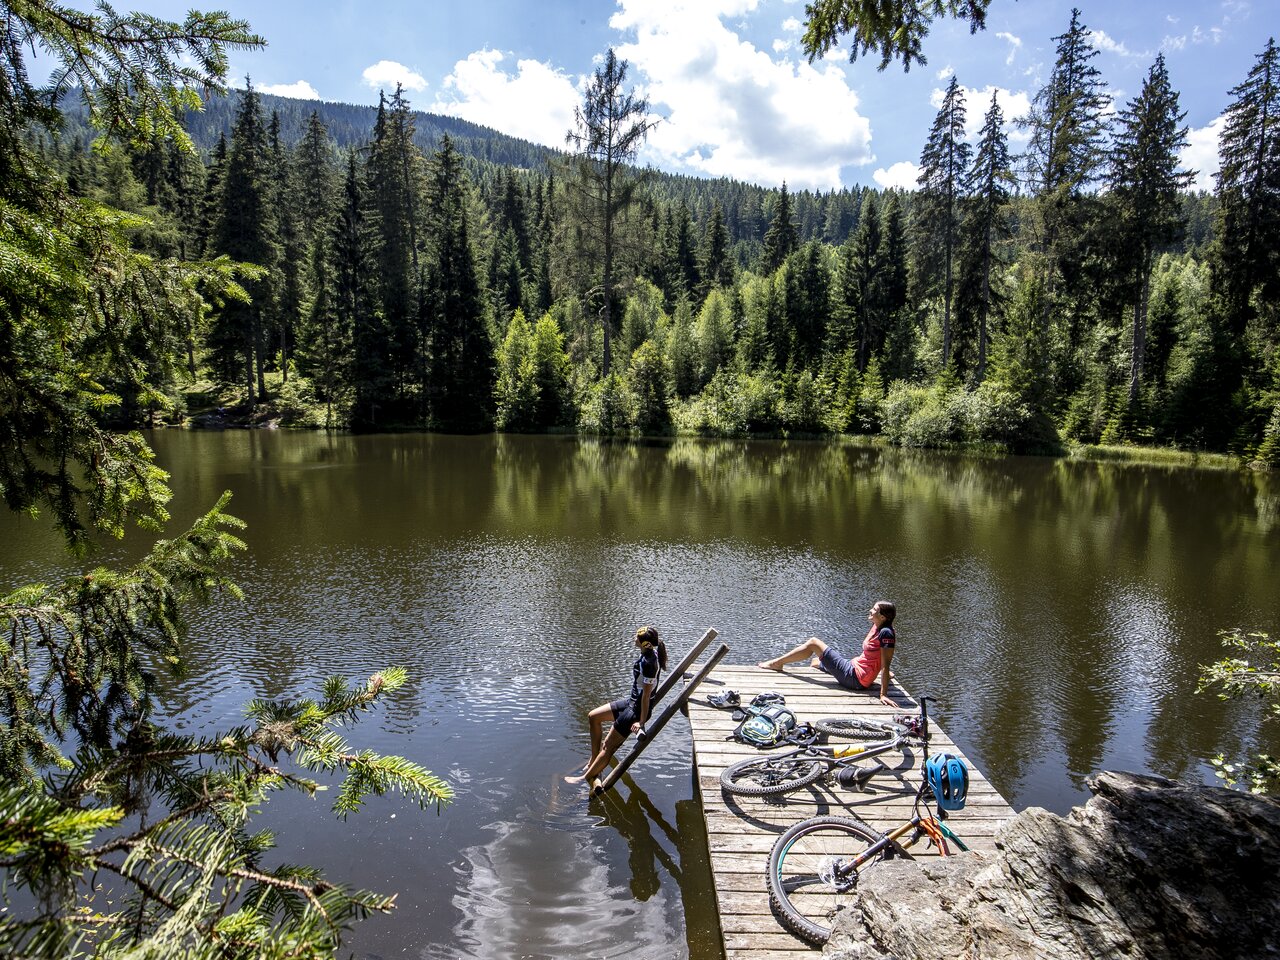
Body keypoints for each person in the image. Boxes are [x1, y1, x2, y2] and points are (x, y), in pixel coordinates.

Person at [565, 626, 667, 785]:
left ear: (644, 643)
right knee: (593, 717)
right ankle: (593, 760)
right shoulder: (649, 654)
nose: (634, 638)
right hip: (630, 703)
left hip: (635, 711)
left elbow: (646, 696)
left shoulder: (649, 663)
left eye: (636, 637)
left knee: (607, 747)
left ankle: (583, 779)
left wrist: (640, 722)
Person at [758, 601, 898, 706]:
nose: (870, 610)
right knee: (815, 662)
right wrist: (879, 670)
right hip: (853, 667)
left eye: (874, 609)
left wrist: (883, 694)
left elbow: (886, 661)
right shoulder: (878, 626)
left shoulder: (886, 633)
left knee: (814, 643)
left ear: (882, 617)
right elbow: (877, 655)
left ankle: (776, 663)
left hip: (855, 678)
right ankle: (818, 665)